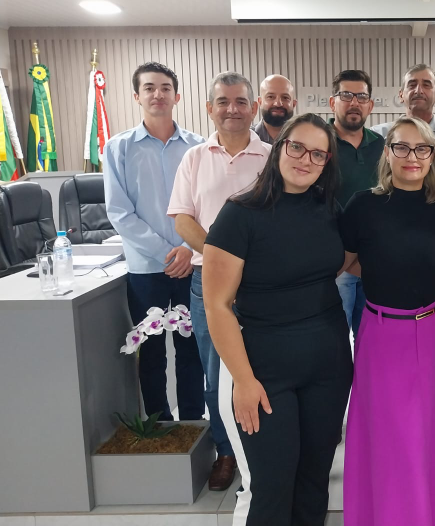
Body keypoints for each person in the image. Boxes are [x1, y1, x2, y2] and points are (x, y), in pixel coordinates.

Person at [203, 113, 352, 526]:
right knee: (271, 489)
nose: (306, 159)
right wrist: (244, 381)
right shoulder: (240, 214)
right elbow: (217, 306)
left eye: (318, 154)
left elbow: (342, 262)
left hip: (329, 367)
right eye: (297, 147)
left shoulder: (329, 209)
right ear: (279, 147)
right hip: (265, 374)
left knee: (313, 484)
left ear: (327, 163)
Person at [341, 117, 435, 526]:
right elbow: (346, 262)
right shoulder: (363, 206)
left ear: (433, 155)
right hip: (381, 333)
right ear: (387, 153)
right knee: (390, 436)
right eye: (401, 147)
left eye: (422, 148)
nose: (412, 156)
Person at [167, 71, 270, 491]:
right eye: (223, 102)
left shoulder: (272, 158)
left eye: (241, 101)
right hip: (206, 281)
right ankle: (226, 452)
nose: (232, 109)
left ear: (254, 108)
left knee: (262, 368)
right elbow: (182, 219)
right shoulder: (194, 158)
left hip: (262, 283)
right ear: (209, 108)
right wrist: (221, 256)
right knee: (217, 372)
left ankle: (261, 450)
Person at [103, 61, 204, 423]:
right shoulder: (118, 148)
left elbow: (206, 208)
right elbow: (119, 212)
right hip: (147, 268)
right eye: (149, 88)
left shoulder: (198, 147)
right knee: (151, 352)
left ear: (177, 96)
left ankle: (193, 423)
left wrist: (188, 250)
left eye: (165, 88)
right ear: (137, 96)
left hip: (193, 265)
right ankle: (160, 426)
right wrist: (166, 253)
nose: (157, 94)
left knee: (193, 349)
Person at [329, 69, 384, 338]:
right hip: (334, 262)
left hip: (373, 261)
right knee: (335, 338)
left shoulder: (382, 146)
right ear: (333, 102)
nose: (354, 103)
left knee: (369, 338)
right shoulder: (320, 143)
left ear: (370, 105)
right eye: (346, 96)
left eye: (361, 97)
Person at [372, 63, 435, 167]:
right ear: (401, 95)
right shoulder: (378, 135)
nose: (418, 90)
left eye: (426, 85)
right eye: (412, 85)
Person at [253, 74, 296, 144]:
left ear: (293, 104)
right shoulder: (245, 139)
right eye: (270, 97)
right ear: (260, 102)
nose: (278, 104)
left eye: (285, 97)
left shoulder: (304, 139)